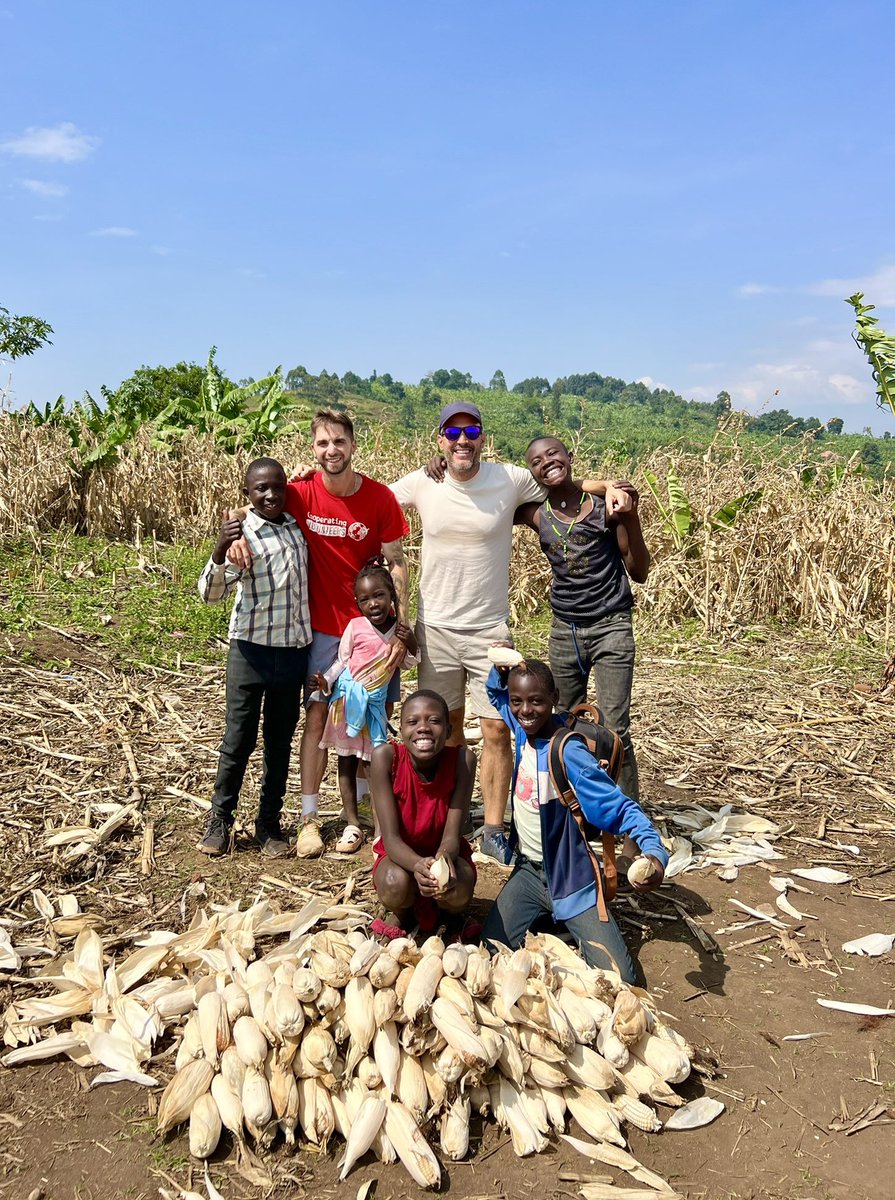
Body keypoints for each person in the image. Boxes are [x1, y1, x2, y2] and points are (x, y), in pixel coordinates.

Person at [390, 402, 631, 866]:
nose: (463, 440)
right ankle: (452, 820)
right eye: (453, 432)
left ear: (483, 437)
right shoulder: (424, 481)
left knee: (499, 727)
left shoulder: (509, 478)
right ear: (440, 439)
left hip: (489, 628)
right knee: (447, 728)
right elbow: (369, 498)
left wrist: (609, 487)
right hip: (436, 625)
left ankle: (496, 827)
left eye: (472, 430)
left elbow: (560, 481)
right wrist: (304, 480)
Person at [229, 410, 410, 858]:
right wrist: (232, 537)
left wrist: (400, 625)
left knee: (370, 723)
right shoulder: (299, 493)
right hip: (319, 631)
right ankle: (309, 818)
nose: (331, 451)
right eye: (323, 444)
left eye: (339, 442)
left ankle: (365, 813)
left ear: (353, 445)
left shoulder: (380, 499)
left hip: (372, 634)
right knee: (315, 720)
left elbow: (398, 560)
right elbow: (248, 504)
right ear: (313, 449)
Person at [481, 657, 667, 982]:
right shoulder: (523, 728)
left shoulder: (568, 753)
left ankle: (563, 919)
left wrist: (654, 853)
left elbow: (620, 808)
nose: (525, 710)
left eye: (536, 701)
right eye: (517, 702)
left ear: (554, 697)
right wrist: (499, 671)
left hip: (570, 878)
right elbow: (498, 695)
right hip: (528, 872)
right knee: (486, 953)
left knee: (621, 979)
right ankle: (553, 923)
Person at [517, 435, 649, 810]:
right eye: (537, 461)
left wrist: (629, 514)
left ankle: (625, 822)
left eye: (554, 454)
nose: (547, 463)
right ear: (532, 473)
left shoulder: (604, 509)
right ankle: (575, 811)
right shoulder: (537, 515)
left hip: (611, 626)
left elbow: (638, 571)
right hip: (565, 631)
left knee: (613, 730)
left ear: (570, 457)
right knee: (563, 724)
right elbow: (488, 502)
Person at [197, 458, 311, 859]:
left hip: (293, 652)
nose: (270, 495)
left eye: (278, 487)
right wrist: (219, 548)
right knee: (238, 739)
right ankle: (220, 820)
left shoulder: (299, 526)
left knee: (279, 743)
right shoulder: (239, 534)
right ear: (247, 492)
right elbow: (210, 595)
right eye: (260, 489)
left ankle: (268, 823)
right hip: (250, 651)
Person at [312, 563, 421, 853]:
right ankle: (352, 824)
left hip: (374, 710)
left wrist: (411, 642)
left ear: (391, 597)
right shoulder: (355, 627)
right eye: (365, 599)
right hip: (347, 705)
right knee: (346, 763)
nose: (373, 604)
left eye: (380, 596)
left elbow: (411, 662)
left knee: (376, 766)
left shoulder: (398, 631)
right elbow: (342, 662)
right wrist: (325, 682)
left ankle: (381, 829)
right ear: (357, 603)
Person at [370, 689, 477, 934]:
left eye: (435, 721)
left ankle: (450, 913)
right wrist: (418, 864)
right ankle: (402, 912)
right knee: (394, 883)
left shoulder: (463, 761)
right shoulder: (385, 758)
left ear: (449, 731)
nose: (423, 728)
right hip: (399, 858)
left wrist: (439, 864)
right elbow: (391, 839)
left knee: (459, 884)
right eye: (413, 721)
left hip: (445, 855)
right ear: (401, 729)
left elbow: (452, 836)